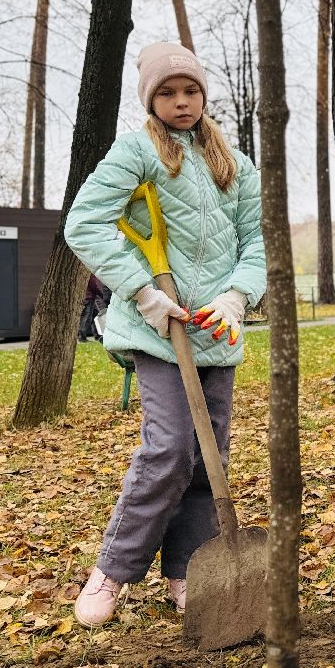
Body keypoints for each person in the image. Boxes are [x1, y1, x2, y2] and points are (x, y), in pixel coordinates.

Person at [63, 42, 265, 626]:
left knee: (209, 460)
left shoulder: (235, 163)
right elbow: (84, 223)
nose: (182, 103)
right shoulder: (136, 153)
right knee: (171, 447)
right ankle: (114, 569)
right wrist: (144, 293)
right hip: (158, 331)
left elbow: (256, 240)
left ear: (204, 95)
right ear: (151, 100)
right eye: (168, 93)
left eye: (191, 91)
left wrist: (236, 297)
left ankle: (185, 571)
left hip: (216, 332)